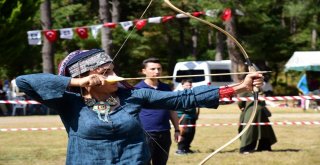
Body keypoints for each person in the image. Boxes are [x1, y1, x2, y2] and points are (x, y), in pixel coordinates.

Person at [15, 48, 264, 164]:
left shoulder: (134, 96)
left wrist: (240, 87)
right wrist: (77, 82)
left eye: (114, 69)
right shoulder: (70, 103)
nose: (115, 75)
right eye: (107, 71)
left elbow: (183, 99)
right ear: (91, 77)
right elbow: (24, 82)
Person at [134, 57, 180, 165]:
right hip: (146, 134)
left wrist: (177, 130)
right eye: (153, 69)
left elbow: (172, 110)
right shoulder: (137, 89)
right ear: (144, 71)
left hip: (164, 133)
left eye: (159, 69)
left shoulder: (166, 88)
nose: (157, 72)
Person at [175, 79, 200, 155]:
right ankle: (180, 149)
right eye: (186, 85)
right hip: (184, 116)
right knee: (184, 133)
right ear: (182, 86)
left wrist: (197, 114)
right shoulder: (180, 94)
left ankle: (187, 148)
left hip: (192, 116)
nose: (189, 86)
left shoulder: (192, 94)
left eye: (190, 85)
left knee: (191, 133)